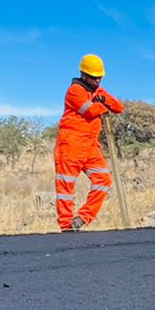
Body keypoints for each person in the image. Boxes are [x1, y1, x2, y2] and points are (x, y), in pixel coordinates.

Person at [54, 54, 124, 232]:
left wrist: (104, 100)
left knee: (103, 180)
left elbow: (119, 107)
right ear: (84, 74)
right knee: (66, 187)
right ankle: (66, 226)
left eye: (100, 77)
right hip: (71, 145)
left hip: (91, 147)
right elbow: (90, 111)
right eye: (94, 77)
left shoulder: (99, 92)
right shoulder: (74, 91)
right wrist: (103, 105)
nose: (97, 80)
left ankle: (83, 218)